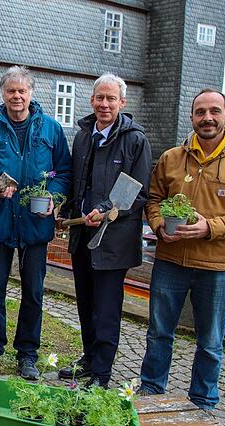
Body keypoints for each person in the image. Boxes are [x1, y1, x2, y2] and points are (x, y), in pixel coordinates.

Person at [139, 89, 225, 409]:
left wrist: (209, 227)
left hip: (216, 266)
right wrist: (158, 225)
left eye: (214, 111)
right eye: (200, 112)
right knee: (158, 333)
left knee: (210, 342)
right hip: (170, 260)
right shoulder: (172, 158)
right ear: (192, 117)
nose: (207, 117)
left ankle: (203, 402)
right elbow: (153, 200)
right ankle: (151, 392)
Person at [0, 66, 72, 378]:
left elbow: (64, 171)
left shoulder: (51, 129)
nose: (17, 96)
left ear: (30, 93)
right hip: (1, 222)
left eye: (22, 91)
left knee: (33, 291)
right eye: (11, 91)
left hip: (35, 224)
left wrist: (54, 198)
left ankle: (27, 353)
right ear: (2, 94)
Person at [56, 73, 151, 389]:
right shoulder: (84, 136)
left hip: (114, 240)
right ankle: (89, 358)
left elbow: (137, 193)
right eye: (100, 97)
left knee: (106, 309)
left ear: (122, 103)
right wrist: (65, 209)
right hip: (82, 235)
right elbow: (77, 183)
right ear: (91, 100)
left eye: (111, 98)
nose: (105, 104)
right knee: (85, 302)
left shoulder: (135, 139)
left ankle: (102, 372)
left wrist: (108, 209)